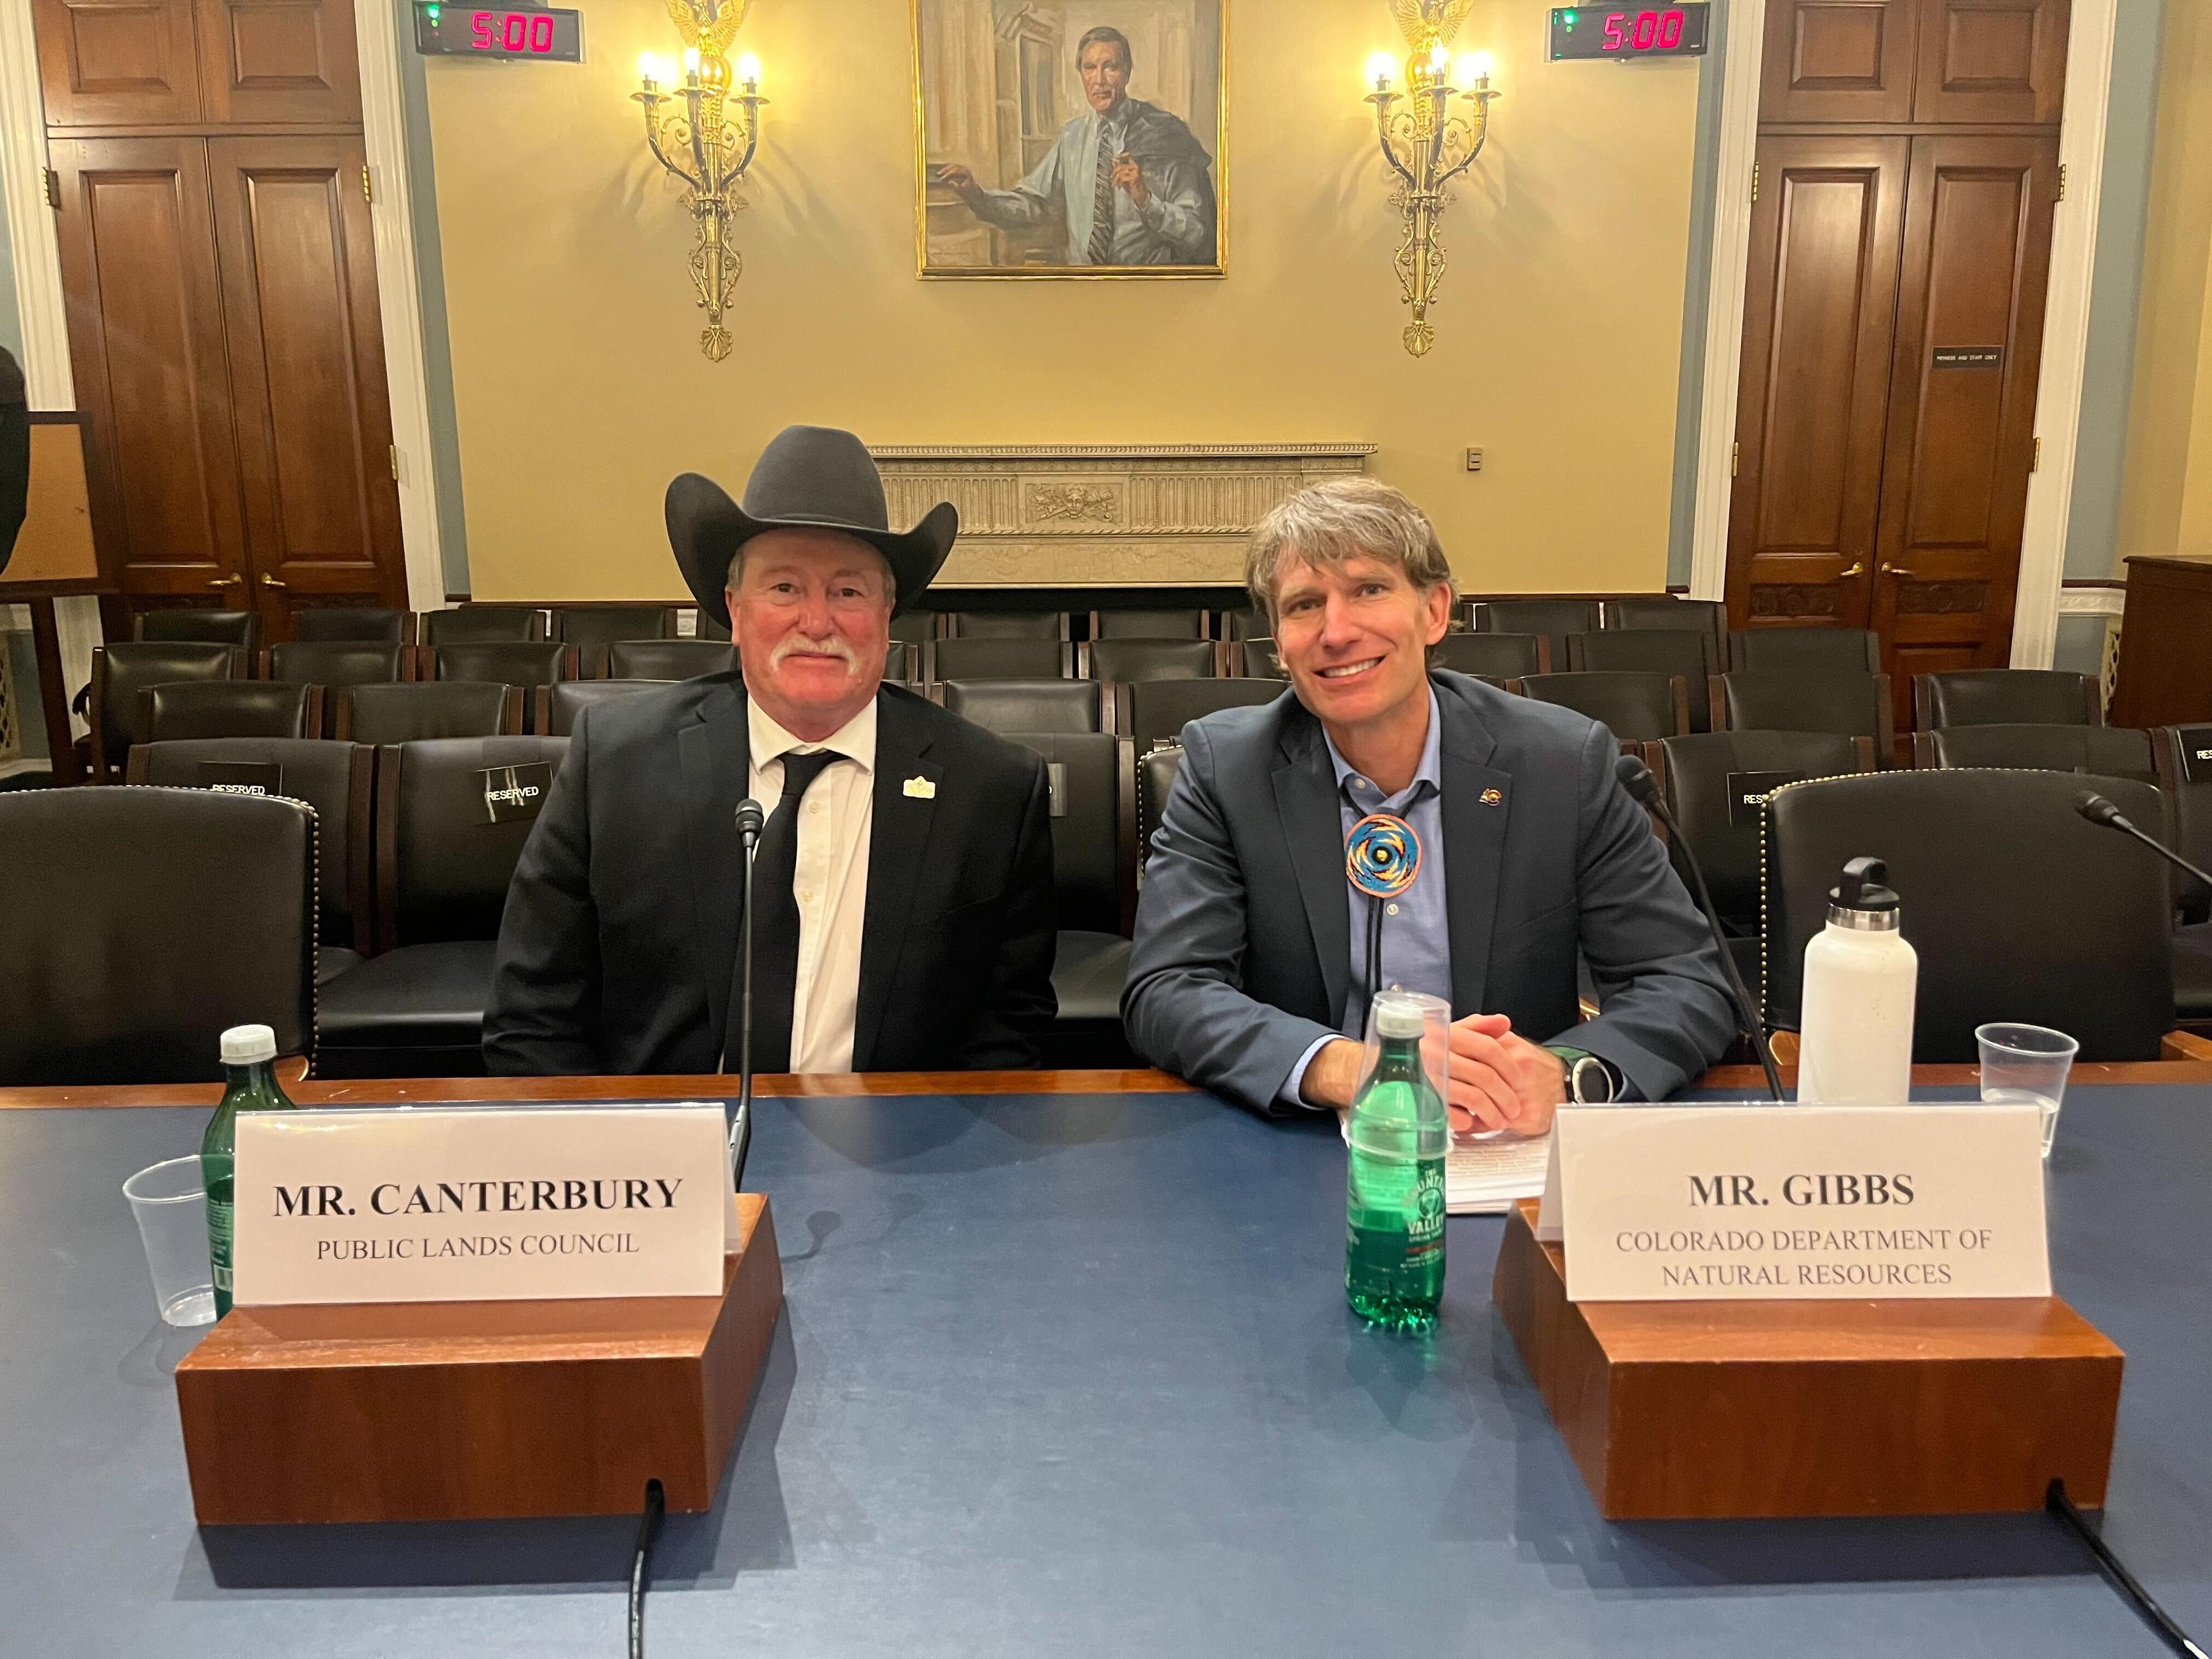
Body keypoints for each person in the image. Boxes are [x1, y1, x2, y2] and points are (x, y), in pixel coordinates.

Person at [1122, 478, 1737, 1131]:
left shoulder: (1562, 763)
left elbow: (1686, 983)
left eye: (1368, 590)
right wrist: (1357, 1068)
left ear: (1435, 610)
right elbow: (1168, 991)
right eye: (1304, 604)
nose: (1336, 631)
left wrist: (1565, 1074)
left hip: (1503, 1138)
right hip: (1307, 1138)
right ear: (1279, 641)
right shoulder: (1227, 769)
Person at [483, 425, 1058, 1076]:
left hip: (899, 1155)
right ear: (734, 609)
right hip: (667, 1158)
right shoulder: (613, 763)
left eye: (848, 592)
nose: (817, 623)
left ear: (887, 614)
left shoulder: (993, 789)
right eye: (785, 588)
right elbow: (532, 1020)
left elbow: (1010, 1029)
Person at [938, 26, 1216, 267]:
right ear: (1081, 74)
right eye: (1090, 68)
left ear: (1127, 72)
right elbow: (1035, 205)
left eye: (1111, 66)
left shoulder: (1166, 135)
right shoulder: (1073, 137)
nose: (1099, 80)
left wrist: (1146, 200)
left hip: (1147, 290)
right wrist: (978, 196)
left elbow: (1196, 232)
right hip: (1082, 288)